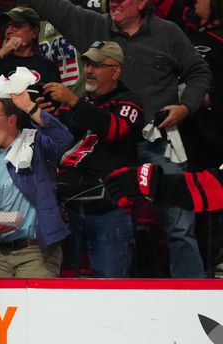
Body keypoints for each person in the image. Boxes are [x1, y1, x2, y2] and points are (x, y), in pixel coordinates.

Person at [21, 0, 213, 277]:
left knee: (180, 227)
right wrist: (55, 109)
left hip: (154, 141)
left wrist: (186, 106)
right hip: (106, 147)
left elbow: (199, 71)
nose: (114, 2)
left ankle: (192, 295)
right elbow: (55, 7)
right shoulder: (96, 24)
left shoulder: (168, 33)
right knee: (101, 219)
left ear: (142, 3)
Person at [43, 41, 143, 278]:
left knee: (110, 288)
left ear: (115, 71)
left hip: (109, 212)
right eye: (87, 63)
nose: (88, 70)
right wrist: (45, 114)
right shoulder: (80, 104)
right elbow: (59, 140)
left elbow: (114, 129)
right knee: (67, 289)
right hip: (71, 210)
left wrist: (73, 101)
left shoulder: (129, 102)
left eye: (97, 65)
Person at [0, 91, 74, 278]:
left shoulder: (34, 143)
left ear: (11, 120)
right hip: (0, 253)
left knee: (36, 307)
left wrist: (31, 107)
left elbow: (64, 139)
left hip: (37, 251)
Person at [0, 7, 61, 100]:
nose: (8, 31)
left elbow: (54, 102)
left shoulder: (47, 66)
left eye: (16, 26)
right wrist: (4, 50)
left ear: (34, 32)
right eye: (7, 27)